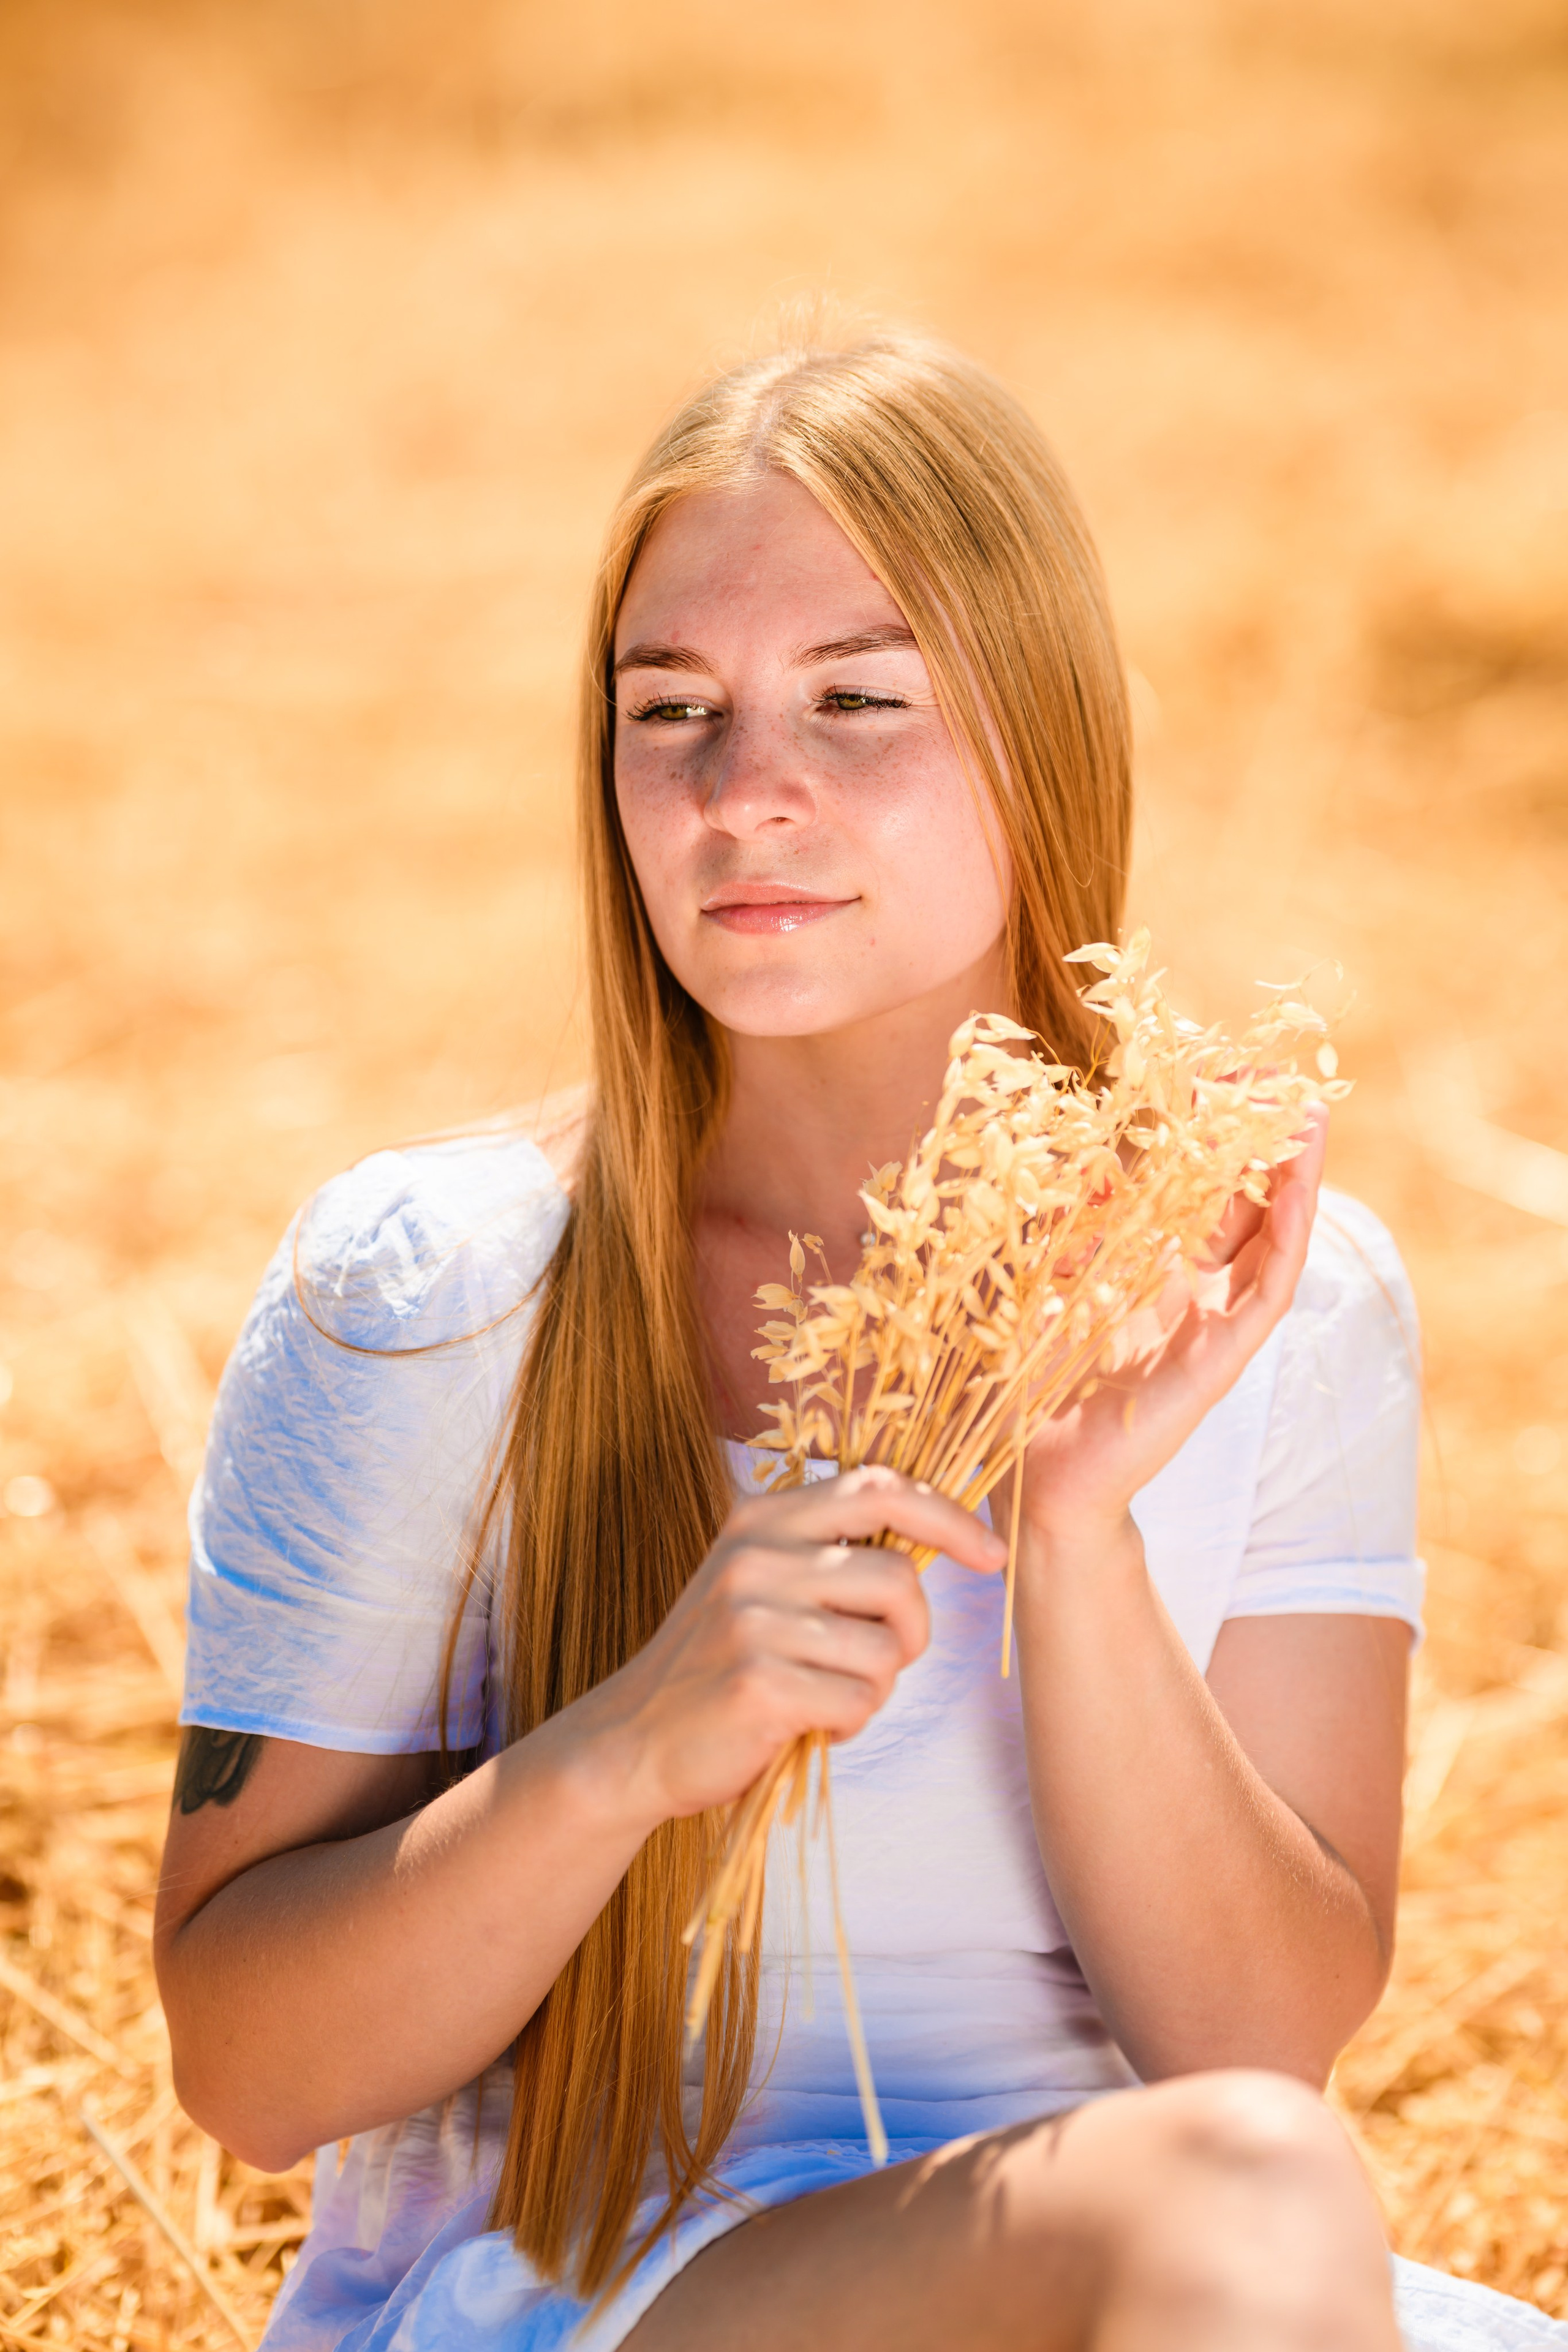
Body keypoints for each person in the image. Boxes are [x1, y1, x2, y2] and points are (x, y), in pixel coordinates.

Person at [155, 331, 1565, 2351]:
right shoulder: (431, 1292)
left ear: (1039, 732)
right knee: (1248, 2196)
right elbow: (249, 2072)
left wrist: (1077, 1541)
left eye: (855, 700)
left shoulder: (1282, 1297)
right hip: (602, 2291)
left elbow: (1254, 2048)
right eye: (674, 713)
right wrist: (624, 1751)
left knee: (1257, 2196)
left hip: (1176, 2290)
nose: (746, 793)